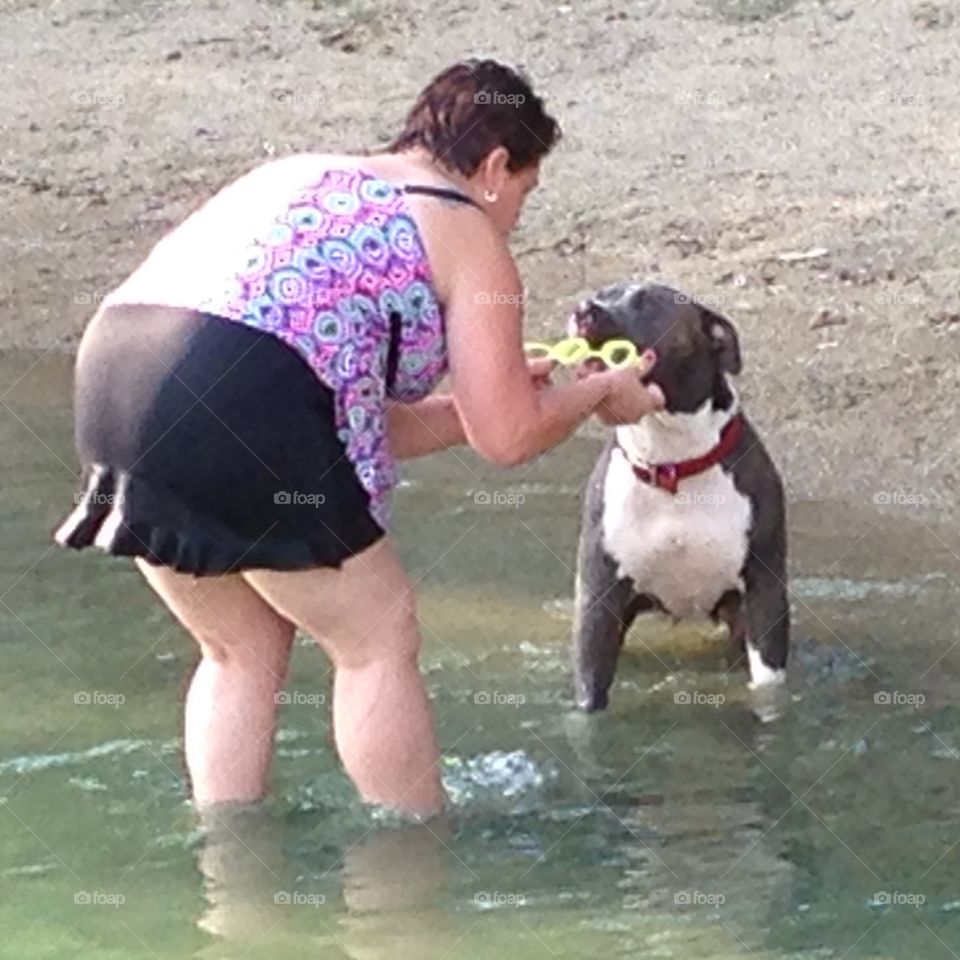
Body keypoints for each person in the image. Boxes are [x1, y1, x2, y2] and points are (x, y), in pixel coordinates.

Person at [52, 59, 664, 818]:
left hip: (117, 374)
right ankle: (408, 883)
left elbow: (336, 417)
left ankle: (233, 887)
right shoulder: (466, 228)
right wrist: (602, 394)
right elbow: (507, 440)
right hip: (244, 386)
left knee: (238, 649)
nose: (514, 219)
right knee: (377, 635)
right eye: (525, 197)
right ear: (498, 166)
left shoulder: (310, 174)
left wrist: (514, 396)